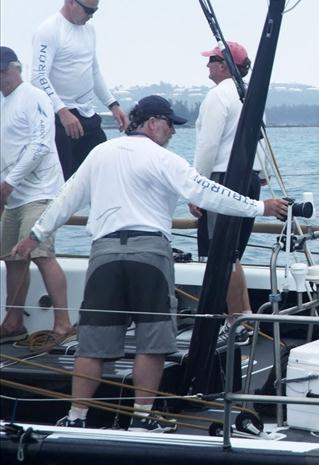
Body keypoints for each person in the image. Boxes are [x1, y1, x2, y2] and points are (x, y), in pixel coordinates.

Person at [12, 95, 289, 432]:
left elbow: (66, 199)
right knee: (152, 342)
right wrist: (261, 207)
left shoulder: (100, 153)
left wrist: (34, 236)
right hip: (149, 254)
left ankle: (76, 417)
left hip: (104, 255)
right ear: (153, 123)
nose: (172, 131)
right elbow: (208, 193)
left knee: (92, 344)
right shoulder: (164, 158)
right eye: (170, 124)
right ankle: (142, 418)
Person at [188, 42, 261, 343]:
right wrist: (262, 172)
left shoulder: (218, 95)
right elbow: (259, 134)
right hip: (250, 178)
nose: (207, 66)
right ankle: (242, 319)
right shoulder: (249, 94)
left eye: (211, 61)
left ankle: (238, 322)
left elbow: (208, 144)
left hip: (222, 180)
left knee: (223, 255)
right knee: (232, 255)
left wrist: (195, 187)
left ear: (224, 65)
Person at [0, 47, 73, 347]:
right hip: (13, 197)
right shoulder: (3, 104)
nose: (1, 77)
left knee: (42, 255)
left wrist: (9, 183)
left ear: (16, 68)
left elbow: (40, 144)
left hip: (41, 192)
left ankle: (63, 323)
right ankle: (13, 322)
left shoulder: (35, 97)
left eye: (3, 71)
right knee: (12, 259)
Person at [31, 0, 129, 180]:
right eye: (88, 10)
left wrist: (113, 104)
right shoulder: (49, 30)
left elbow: (94, 71)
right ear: (70, 1)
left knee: (104, 171)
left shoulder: (89, 31)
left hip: (87, 114)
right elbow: (38, 76)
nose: (91, 16)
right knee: (62, 178)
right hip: (60, 117)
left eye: (95, 11)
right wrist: (62, 111)